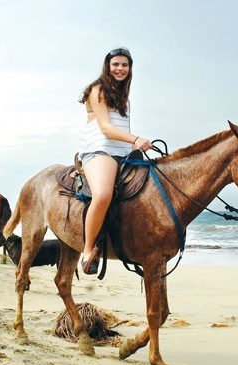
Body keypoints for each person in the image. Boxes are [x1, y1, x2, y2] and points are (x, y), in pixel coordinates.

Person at [78, 47, 153, 274]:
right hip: (99, 151)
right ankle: (88, 249)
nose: (120, 69)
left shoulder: (124, 98)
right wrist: (136, 138)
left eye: (124, 65)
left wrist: (135, 146)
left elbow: (123, 128)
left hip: (121, 152)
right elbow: (106, 128)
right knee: (102, 195)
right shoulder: (97, 90)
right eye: (116, 65)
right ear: (108, 67)